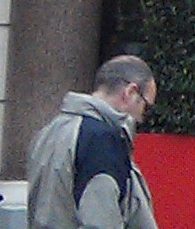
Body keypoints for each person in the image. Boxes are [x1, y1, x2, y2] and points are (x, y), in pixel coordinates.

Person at [26, 54, 161, 229]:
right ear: (130, 92)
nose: (143, 118)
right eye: (146, 106)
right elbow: (100, 219)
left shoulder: (50, 131)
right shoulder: (101, 140)